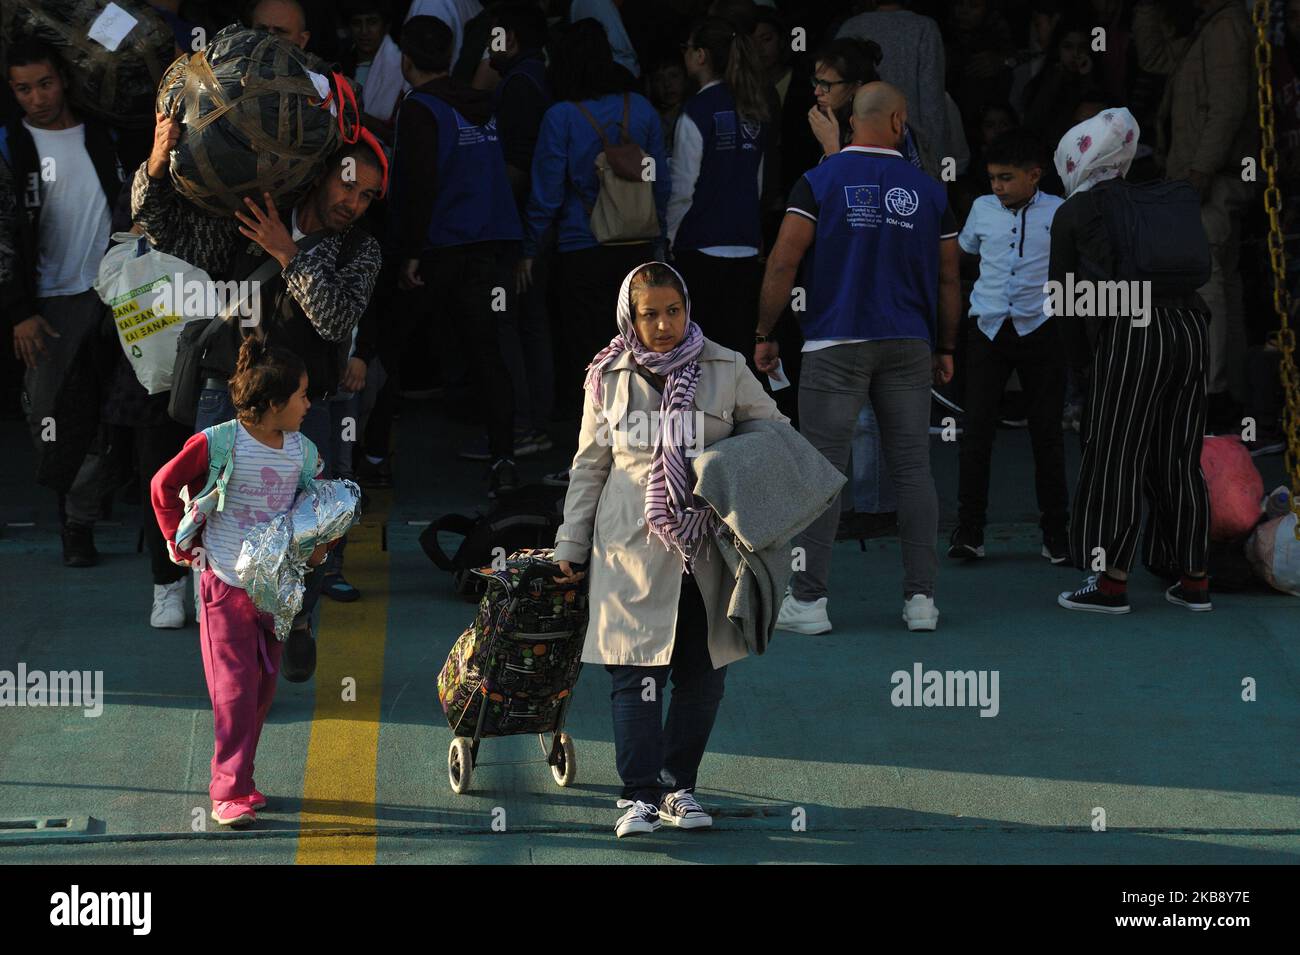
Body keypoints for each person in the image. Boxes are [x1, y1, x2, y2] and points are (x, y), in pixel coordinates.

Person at [551, 261, 785, 838]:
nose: (663, 325)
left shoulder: (727, 367)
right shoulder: (607, 376)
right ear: (630, 316)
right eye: (649, 314)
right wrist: (570, 545)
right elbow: (589, 467)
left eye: (673, 311)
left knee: (703, 674)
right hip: (630, 546)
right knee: (633, 671)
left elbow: (774, 433)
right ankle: (637, 797)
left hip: (710, 550)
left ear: (688, 309)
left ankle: (678, 786)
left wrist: (717, 471)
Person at [756, 83, 961, 635]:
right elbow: (949, 280)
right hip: (909, 345)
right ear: (898, 121)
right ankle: (921, 602)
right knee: (914, 469)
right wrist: (945, 347)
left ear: (851, 123)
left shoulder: (818, 181)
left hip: (834, 345)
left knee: (824, 470)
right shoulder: (929, 190)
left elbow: (782, 263)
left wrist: (764, 331)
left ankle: (810, 603)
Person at [151, 339, 333, 828]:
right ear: (274, 403)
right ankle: (227, 789)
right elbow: (162, 485)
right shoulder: (219, 442)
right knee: (234, 690)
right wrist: (180, 541)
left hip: (274, 592)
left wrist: (319, 546)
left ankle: (243, 782)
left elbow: (311, 509)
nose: (309, 404)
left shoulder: (304, 450)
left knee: (262, 690)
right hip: (224, 586)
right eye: (301, 396)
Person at [1049, 108, 1213, 614]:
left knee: (1114, 454)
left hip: (1132, 336)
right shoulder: (1153, 200)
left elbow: (1067, 301)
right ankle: (1194, 579)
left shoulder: (1074, 211)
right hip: (1190, 326)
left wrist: (1082, 369)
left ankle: (1110, 582)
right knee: (1179, 456)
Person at [1, 40, 125, 568]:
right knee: (54, 419)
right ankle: (76, 523)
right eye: (23, 88)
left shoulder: (104, 136)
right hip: (50, 308)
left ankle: (89, 513)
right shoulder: (11, 147)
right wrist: (19, 312)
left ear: (64, 80)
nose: (37, 98)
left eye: (44, 83)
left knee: (120, 413)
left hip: (115, 296)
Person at [391, 15, 522, 497]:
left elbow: (416, 184)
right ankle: (504, 458)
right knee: (489, 352)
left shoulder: (421, 107)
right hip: (491, 248)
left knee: (393, 341)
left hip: (441, 250)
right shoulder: (482, 105)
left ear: (406, 59)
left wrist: (408, 252)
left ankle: (374, 453)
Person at [520, 19, 668, 422]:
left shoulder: (561, 117)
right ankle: (646, 440)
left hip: (581, 247)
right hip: (638, 247)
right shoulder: (641, 109)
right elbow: (661, 181)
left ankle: (593, 444)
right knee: (642, 348)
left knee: (589, 351)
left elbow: (546, 194)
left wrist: (530, 250)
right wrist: (661, 240)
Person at [1133, 0, 1259, 428]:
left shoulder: (1226, 25)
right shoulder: (1204, 27)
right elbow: (1153, 57)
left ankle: (1214, 396)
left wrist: (1202, 169)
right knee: (1221, 279)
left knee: (1209, 282)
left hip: (1210, 176)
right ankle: (1230, 397)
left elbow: (1228, 104)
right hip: (1198, 175)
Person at [949, 128, 1068, 564]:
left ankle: (1057, 531)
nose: (997, 186)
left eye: (1006, 178)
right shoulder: (981, 208)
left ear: (1034, 175)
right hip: (988, 329)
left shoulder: (1060, 212)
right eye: (992, 178)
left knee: (1047, 434)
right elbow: (962, 254)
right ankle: (969, 530)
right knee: (976, 432)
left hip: (1042, 328)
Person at [668, 16, 770, 358]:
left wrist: (669, 238)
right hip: (744, 241)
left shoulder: (697, 109)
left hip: (700, 243)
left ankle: (705, 414)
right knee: (737, 351)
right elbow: (756, 182)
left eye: (687, 48)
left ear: (700, 55)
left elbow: (683, 186)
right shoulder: (752, 106)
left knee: (699, 351)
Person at [835, 0, 946, 177]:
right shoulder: (924, 28)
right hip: (908, 146)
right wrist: (940, 166)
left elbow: (834, 95)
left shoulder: (850, 27)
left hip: (856, 144)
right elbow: (932, 104)